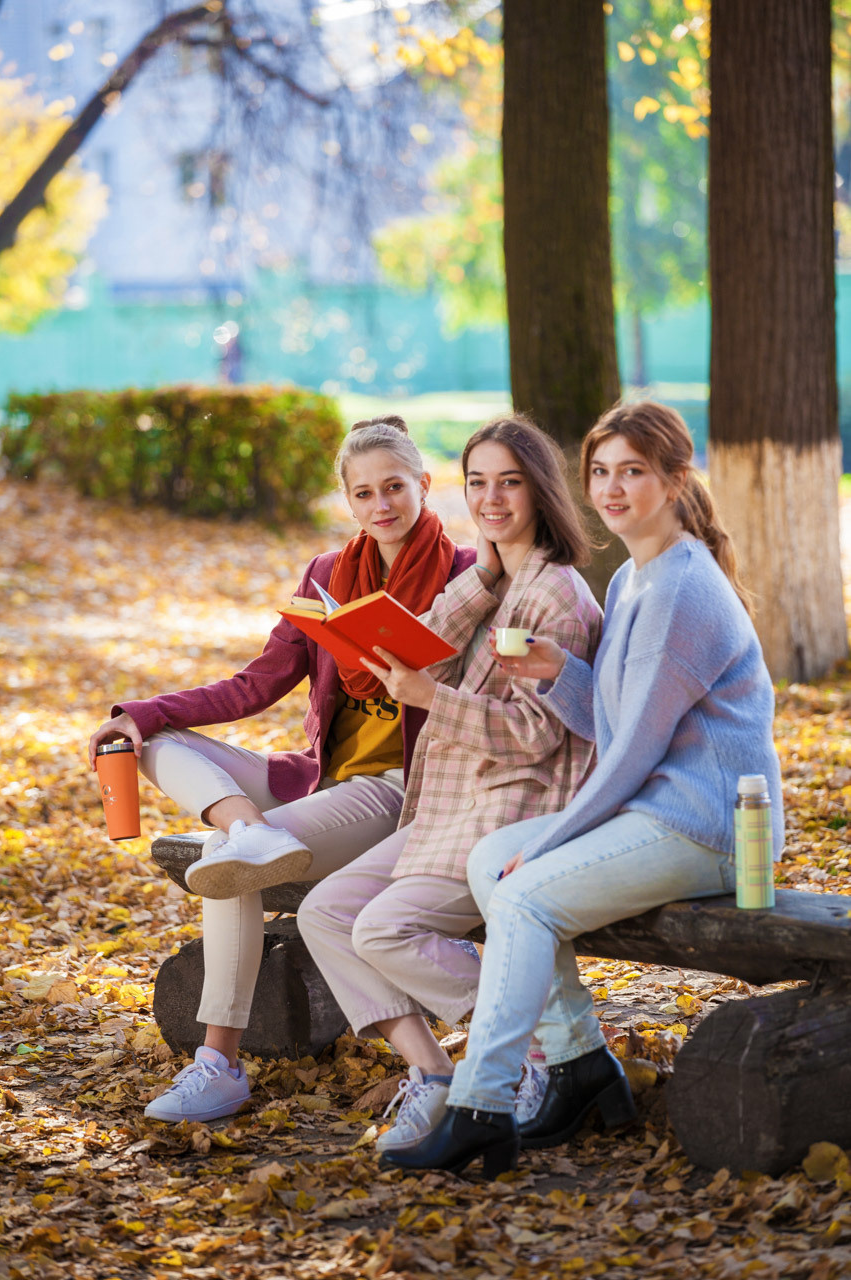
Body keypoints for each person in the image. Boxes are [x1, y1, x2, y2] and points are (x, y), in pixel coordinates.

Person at [379, 399, 785, 1179]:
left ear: (672, 480)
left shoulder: (677, 590)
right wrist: (561, 674)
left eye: (632, 471)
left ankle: (480, 1107)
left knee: (523, 889)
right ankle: (576, 1065)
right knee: (487, 861)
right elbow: (615, 714)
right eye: (599, 471)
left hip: (706, 828)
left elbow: (630, 750)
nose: (611, 487)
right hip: (656, 811)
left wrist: (549, 840)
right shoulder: (639, 573)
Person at [87, 417, 475, 1123]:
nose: (381, 504)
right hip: (319, 780)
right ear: (348, 502)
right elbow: (253, 685)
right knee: (156, 745)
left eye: (394, 487)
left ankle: (219, 1063)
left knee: (225, 861)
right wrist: (142, 711)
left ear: (423, 485)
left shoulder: (467, 576)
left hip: (396, 791)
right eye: (363, 493)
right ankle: (245, 827)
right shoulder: (326, 576)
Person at [297, 413, 603, 1156]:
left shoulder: (554, 596)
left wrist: (430, 700)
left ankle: (542, 1049)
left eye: (509, 483)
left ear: (539, 491)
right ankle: (432, 1076)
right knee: (324, 911)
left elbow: (537, 735)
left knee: (381, 927)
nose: (492, 498)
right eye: (478, 483)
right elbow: (427, 645)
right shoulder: (494, 580)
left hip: (508, 813)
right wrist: (485, 577)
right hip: (445, 808)